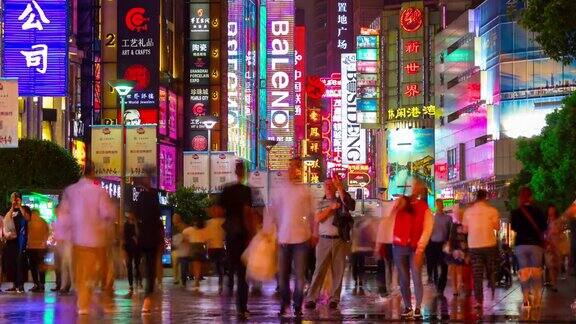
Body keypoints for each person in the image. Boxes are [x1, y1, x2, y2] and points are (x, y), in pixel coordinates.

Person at [55, 161, 116, 315]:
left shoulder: (70, 191)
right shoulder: (100, 191)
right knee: (103, 272)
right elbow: (108, 215)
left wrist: (61, 236)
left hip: (78, 241)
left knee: (82, 277)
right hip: (97, 242)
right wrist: (109, 234)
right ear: (93, 172)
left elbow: (63, 216)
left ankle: (83, 308)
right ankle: (101, 299)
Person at [266, 157, 315, 318]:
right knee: (282, 275)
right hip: (284, 239)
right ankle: (285, 303)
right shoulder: (280, 189)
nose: (295, 170)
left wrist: (314, 233)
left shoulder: (305, 191)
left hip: (301, 238)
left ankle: (297, 305)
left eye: (298, 167)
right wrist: (267, 231)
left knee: (300, 275)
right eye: (292, 166)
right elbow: (272, 212)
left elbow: (312, 214)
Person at [305, 175, 355, 310]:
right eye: (326, 185)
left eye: (331, 185)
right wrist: (331, 208)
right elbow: (318, 218)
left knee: (338, 271)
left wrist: (340, 188)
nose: (328, 187)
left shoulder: (342, 200)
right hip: (323, 240)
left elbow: (351, 206)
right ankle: (311, 298)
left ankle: (335, 299)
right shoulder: (320, 203)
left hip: (339, 240)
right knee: (319, 270)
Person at [216, 160, 255, 319]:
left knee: (231, 269)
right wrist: (251, 233)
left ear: (234, 171)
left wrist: (228, 217)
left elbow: (217, 210)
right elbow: (247, 213)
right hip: (242, 235)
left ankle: (228, 300)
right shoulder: (246, 191)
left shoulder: (227, 190)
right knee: (243, 273)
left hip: (230, 235)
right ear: (244, 172)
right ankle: (241, 307)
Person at [391, 179, 434, 320]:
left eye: (418, 187)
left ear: (421, 190)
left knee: (416, 277)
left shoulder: (424, 208)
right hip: (399, 246)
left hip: (415, 248)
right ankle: (408, 306)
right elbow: (392, 213)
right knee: (403, 279)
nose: (415, 189)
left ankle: (417, 307)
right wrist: (398, 205)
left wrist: (420, 249)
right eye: (413, 186)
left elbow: (427, 230)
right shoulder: (402, 202)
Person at [130, 171, 165, 314]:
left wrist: (138, 230)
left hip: (145, 235)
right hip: (151, 235)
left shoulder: (142, 196)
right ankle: (148, 295)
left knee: (144, 263)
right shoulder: (154, 195)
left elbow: (135, 215)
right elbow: (157, 216)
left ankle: (146, 290)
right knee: (150, 264)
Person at [463, 189, 500, 311]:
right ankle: (492, 286)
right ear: (486, 198)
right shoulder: (492, 211)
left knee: (477, 274)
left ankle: (479, 301)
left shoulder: (468, 212)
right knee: (491, 269)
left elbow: (465, 230)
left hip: (474, 246)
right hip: (489, 244)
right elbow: (497, 227)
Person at [511, 187, 547, 309]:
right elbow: (543, 227)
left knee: (524, 273)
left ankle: (526, 300)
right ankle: (537, 299)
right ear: (531, 197)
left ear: (520, 198)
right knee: (536, 272)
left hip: (521, 245)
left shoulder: (515, 212)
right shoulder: (539, 211)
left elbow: (514, 228)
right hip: (536, 245)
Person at [426, 199, 452, 296]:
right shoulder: (431, 218)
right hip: (433, 244)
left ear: (442, 206)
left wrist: (448, 242)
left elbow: (450, 232)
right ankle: (436, 283)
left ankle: (441, 287)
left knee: (444, 266)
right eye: (437, 205)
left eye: (440, 205)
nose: (438, 206)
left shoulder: (448, 218)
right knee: (433, 265)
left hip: (443, 244)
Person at [3, 192, 27, 293]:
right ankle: (14, 284)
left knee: (20, 263)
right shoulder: (9, 210)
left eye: (16, 198)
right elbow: (6, 221)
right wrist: (13, 207)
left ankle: (20, 285)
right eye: (13, 198)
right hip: (10, 240)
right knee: (11, 263)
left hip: (20, 240)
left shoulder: (24, 209)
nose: (15, 200)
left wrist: (20, 206)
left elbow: (27, 218)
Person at [446, 203, 472, 297]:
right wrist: (450, 248)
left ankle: (458, 287)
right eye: (459, 213)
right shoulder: (454, 225)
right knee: (454, 269)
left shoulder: (466, 225)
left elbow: (468, 237)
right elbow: (451, 237)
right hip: (455, 249)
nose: (460, 215)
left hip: (462, 249)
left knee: (459, 270)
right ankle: (455, 288)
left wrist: (468, 251)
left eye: (461, 213)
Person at [350, 213, 378, 294]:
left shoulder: (356, 230)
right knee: (360, 265)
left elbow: (351, 240)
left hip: (355, 250)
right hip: (359, 250)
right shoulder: (360, 229)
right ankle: (359, 280)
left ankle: (357, 280)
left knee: (355, 266)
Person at [374, 199, 395, 298]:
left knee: (383, 268)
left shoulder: (383, 221)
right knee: (389, 267)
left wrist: (377, 248)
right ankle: (389, 287)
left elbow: (379, 235)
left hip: (384, 246)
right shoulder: (393, 220)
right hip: (391, 246)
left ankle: (384, 289)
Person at [26, 209, 49, 293]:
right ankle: (37, 284)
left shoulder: (42, 222)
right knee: (34, 266)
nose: (34, 216)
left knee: (39, 266)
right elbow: (27, 234)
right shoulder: (30, 223)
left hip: (39, 247)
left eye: (35, 214)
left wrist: (44, 242)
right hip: (33, 247)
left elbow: (47, 233)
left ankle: (40, 284)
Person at [181, 219, 207, 290]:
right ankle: (197, 280)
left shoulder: (189, 230)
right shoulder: (204, 230)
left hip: (193, 247)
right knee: (198, 265)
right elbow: (206, 240)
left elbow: (183, 238)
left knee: (195, 264)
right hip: (201, 247)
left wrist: (187, 240)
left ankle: (196, 280)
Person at [205, 208, 226, 291]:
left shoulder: (222, 221)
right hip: (213, 247)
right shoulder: (209, 222)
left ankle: (220, 282)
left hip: (218, 246)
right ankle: (218, 281)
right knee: (216, 265)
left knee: (218, 265)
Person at [123, 212, 142, 295]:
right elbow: (124, 237)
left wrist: (135, 224)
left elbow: (138, 234)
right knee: (129, 266)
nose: (131, 216)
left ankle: (138, 281)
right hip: (128, 247)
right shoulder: (126, 225)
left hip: (137, 248)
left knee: (137, 266)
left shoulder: (138, 224)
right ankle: (131, 284)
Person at [171, 213, 187, 285]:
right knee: (175, 264)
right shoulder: (174, 227)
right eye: (173, 218)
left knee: (179, 264)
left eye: (175, 218)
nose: (173, 220)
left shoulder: (182, 226)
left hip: (181, 248)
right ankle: (176, 278)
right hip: (175, 248)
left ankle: (179, 278)